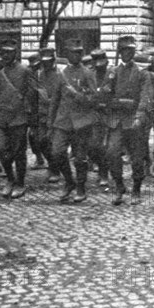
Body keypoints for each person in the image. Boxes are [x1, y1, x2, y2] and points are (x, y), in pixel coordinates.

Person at [103, 36, 151, 205]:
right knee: (112, 153)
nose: (126, 54)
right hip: (116, 120)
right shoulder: (112, 72)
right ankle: (119, 186)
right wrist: (119, 102)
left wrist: (139, 115)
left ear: (133, 52)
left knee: (137, 158)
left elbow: (145, 98)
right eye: (123, 51)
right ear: (119, 52)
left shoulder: (141, 73)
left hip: (134, 121)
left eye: (130, 51)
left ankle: (136, 188)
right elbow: (106, 96)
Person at [48, 38, 97, 203]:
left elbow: (93, 100)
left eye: (79, 53)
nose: (76, 55)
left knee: (80, 157)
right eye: (73, 52)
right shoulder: (61, 75)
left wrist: (76, 95)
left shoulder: (87, 73)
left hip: (81, 122)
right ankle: (69, 182)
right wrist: (50, 123)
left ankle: (81, 188)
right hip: (63, 121)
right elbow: (55, 100)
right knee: (57, 153)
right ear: (67, 54)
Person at [0, 39, 38, 199]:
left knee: (19, 153)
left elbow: (32, 94)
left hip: (19, 118)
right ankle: (10, 179)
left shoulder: (25, 70)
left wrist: (31, 117)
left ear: (15, 53)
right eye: (3, 52)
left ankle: (20, 183)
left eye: (8, 52)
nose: (5, 55)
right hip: (1, 118)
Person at [89, 48, 113, 188]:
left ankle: (104, 173)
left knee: (104, 146)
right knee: (92, 146)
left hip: (109, 114)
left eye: (102, 64)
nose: (100, 67)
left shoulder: (112, 74)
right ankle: (100, 167)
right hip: (93, 113)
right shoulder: (90, 75)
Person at [37, 47, 62, 183]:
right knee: (41, 142)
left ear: (53, 60)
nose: (46, 64)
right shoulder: (40, 75)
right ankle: (51, 164)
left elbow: (63, 95)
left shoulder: (59, 74)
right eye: (43, 62)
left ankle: (55, 169)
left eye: (48, 61)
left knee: (54, 143)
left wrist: (52, 99)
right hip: (42, 113)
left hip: (56, 114)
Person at [27, 53, 46, 170]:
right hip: (32, 110)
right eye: (33, 66)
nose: (35, 67)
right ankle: (39, 158)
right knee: (32, 136)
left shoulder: (45, 75)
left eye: (37, 65)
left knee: (44, 137)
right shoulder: (29, 75)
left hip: (44, 110)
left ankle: (52, 161)